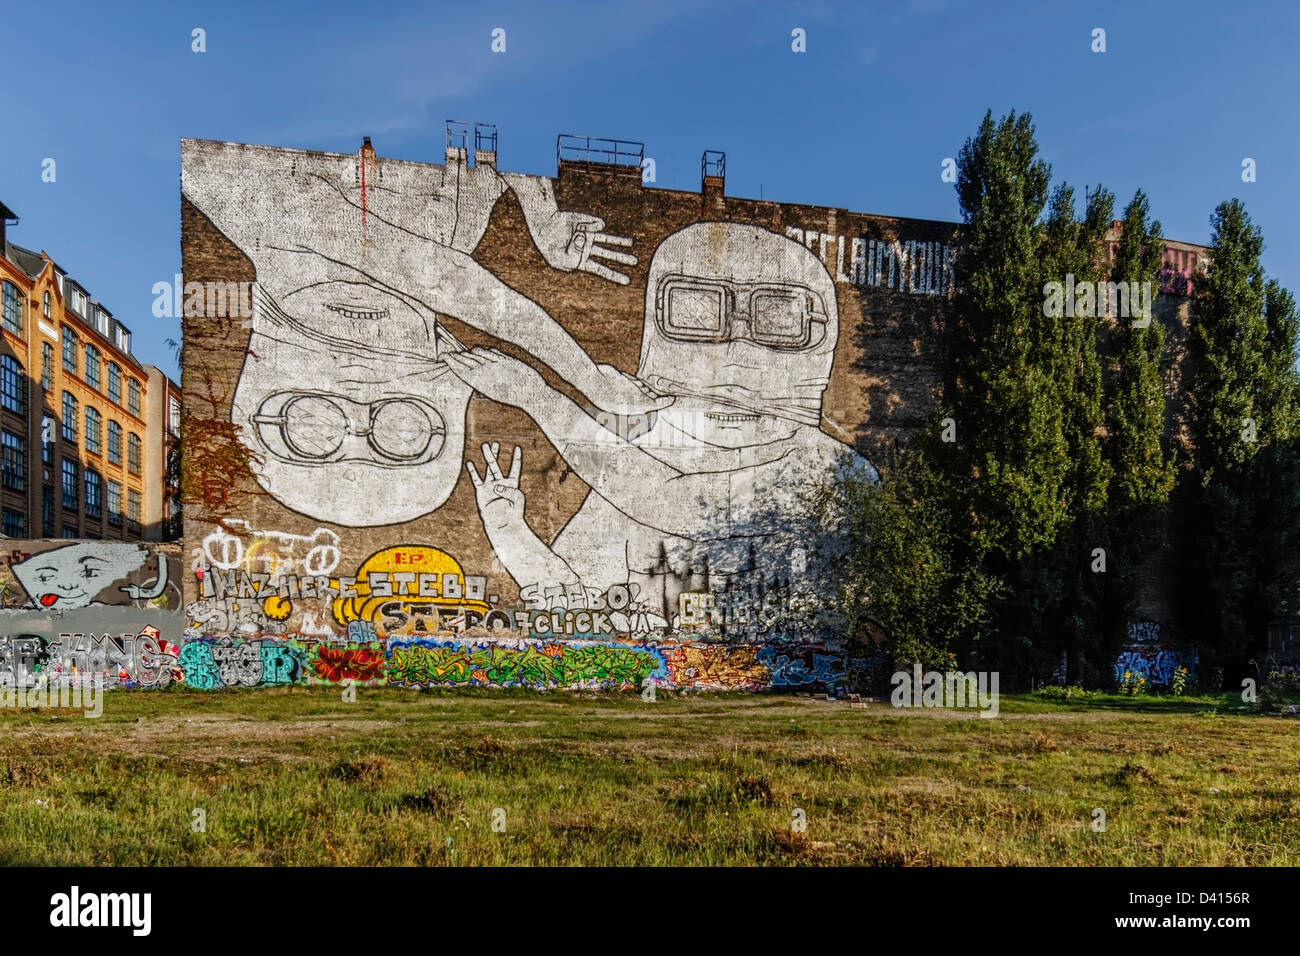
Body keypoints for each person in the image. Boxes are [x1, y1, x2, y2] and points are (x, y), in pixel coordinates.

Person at [182, 138, 663, 526]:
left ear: (252, 395)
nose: (357, 398)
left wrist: (590, 382)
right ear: (454, 392)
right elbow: (455, 267)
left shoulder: (235, 196)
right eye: (404, 431)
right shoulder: (456, 238)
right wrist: (540, 209)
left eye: (310, 427)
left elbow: (446, 280)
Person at [446, 222, 877, 632]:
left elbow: (673, 502)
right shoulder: (641, 458)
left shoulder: (838, 472)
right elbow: (572, 599)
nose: (738, 353)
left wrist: (537, 396)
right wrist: (509, 528)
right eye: (696, 310)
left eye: (782, 319)